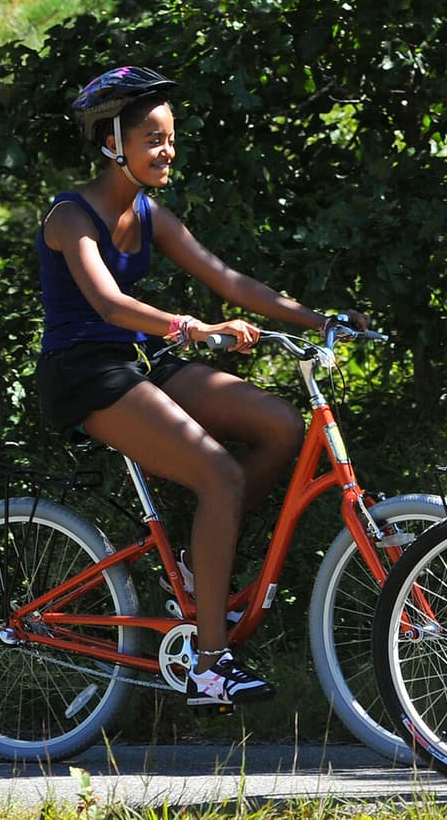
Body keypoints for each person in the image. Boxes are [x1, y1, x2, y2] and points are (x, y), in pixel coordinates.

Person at [36, 66, 364, 710]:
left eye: (170, 138)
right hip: (86, 373)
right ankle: (210, 666)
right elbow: (106, 302)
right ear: (112, 143)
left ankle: (196, 565)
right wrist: (191, 327)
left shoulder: (149, 213)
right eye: (153, 139)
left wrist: (322, 319)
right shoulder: (70, 216)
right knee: (219, 473)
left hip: (142, 359)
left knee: (279, 426)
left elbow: (229, 280)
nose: (167, 151)